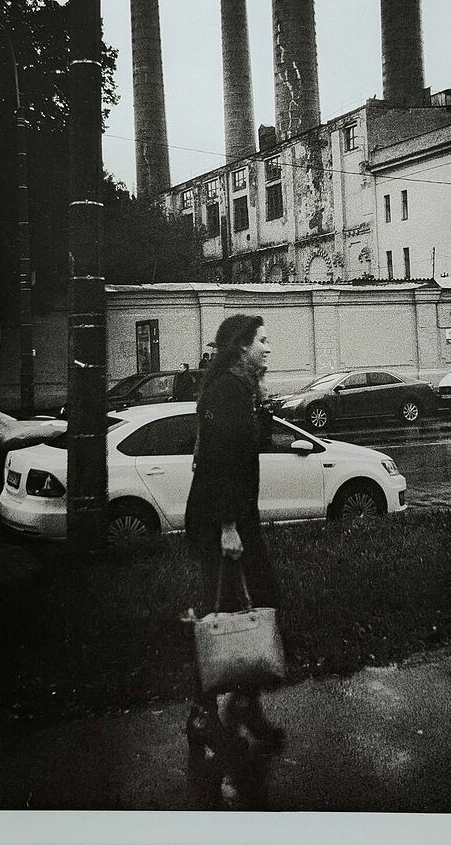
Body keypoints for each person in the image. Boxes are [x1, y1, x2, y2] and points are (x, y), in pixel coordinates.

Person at [184, 314, 285, 757]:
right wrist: (228, 526)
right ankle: (204, 714)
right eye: (262, 340)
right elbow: (217, 462)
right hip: (221, 520)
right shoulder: (226, 391)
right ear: (242, 346)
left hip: (237, 516)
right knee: (220, 614)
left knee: (254, 602)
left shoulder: (239, 390)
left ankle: (244, 703)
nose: (268, 348)